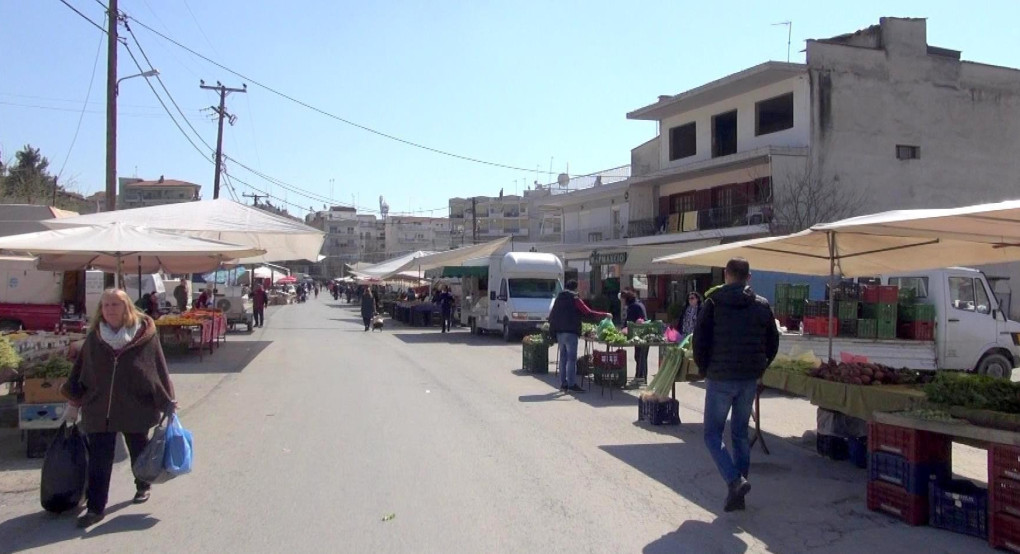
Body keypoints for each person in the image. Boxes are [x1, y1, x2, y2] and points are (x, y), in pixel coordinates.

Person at [60, 288, 176, 529]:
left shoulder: (145, 335)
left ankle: (143, 485)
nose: (110, 309)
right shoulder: (95, 337)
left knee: (138, 450)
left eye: (115, 304)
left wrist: (167, 400)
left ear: (127, 308)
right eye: (106, 305)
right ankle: (95, 508)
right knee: (99, 459)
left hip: (136, 406)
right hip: (99, 407)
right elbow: (81, 370)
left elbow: (157, 368)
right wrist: (73, 400)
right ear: (100, 310)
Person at [692, 258, 780, 512]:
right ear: (748, 278)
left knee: (711, 434)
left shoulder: (713, 303)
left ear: (726, 275)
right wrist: (760, 367)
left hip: (720, 378)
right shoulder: (762, 306)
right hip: (747, 379)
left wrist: (703, 367)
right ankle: (738, 493)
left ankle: (734, 480)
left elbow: (700, 340)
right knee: (740, 434)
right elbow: (773, 343)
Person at [548, 279, 611, 393]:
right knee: (571, 359)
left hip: (560, 332)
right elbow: (587, 312)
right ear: (575, 288)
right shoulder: (575, 298)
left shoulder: (558, 298)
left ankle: (563, 384)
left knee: (563, 359)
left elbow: (552, 314)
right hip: (571, 332)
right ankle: (571, 384)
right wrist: (604, 314)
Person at [623, 290, 649, 385]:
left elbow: (628, 322)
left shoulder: (633, 306)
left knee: (639, 356)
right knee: (642, 357)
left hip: (640, 334)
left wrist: (623, 330)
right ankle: (642, 378)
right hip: (645, 333)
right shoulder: (639, 303)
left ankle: (639, 378)